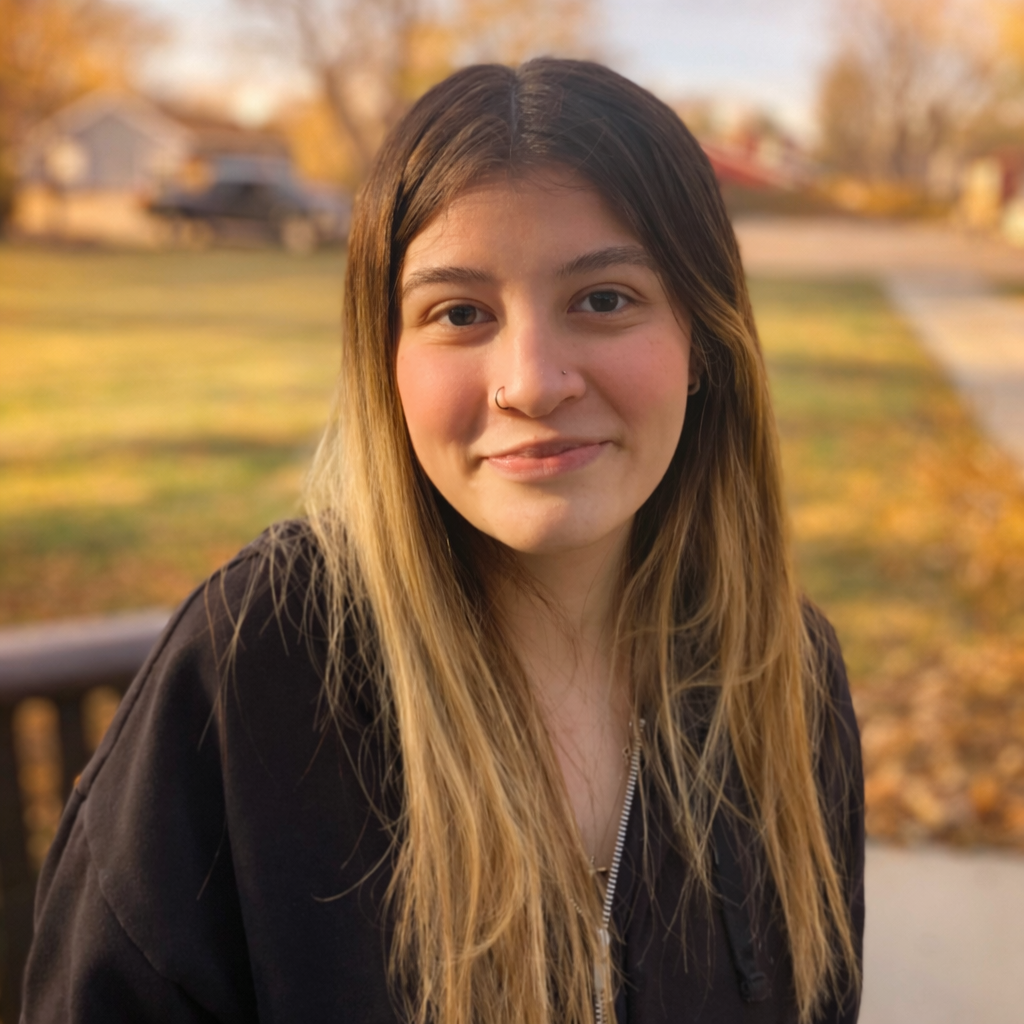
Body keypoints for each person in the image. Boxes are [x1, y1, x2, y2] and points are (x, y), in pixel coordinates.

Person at [21, 59, 863, 1024]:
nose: (533, 382)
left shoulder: (787, 679)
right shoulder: (257, 667)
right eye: (460, 314)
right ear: (386, 362)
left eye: (604, 299)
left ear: (704, 338)